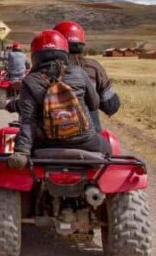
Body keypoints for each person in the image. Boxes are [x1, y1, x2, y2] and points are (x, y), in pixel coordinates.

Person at [8, 29, 109, 170]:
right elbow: (94, 104)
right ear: (64, 52)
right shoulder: (79, 73)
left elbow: (28, 121)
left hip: (46, 143)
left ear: (35, 55)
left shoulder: (29, 81)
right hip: (85, 141)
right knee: (108, 149)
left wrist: (22, 152)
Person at [54, 21, 120, 132]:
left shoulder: (43, 70)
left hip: (51, 135)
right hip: (90, 134)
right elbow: (111, 106)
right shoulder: (93, 67)